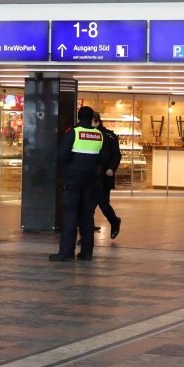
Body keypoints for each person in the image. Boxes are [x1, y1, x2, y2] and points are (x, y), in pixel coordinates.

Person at [50, 106, 109, 262]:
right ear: (91, 118)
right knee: (87, 216)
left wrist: (68, 170)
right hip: (91, 181)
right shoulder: (99, 135)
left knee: (70, 214)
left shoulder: (73, 133)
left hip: (73, 180)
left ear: (78, 116)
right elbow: (104, 159)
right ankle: (86, 253)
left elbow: (61, 156)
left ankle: (66, 253)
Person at [91, 113, 122, 239]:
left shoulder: (109, 136)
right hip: (90, 175)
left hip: (104, 175)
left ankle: (114, 221)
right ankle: (86, 232)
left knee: (103, 204)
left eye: (91, 122)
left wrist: (111, 168)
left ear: (97, 122)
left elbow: (116, 154)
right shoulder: (88, 135)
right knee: (88, 205)